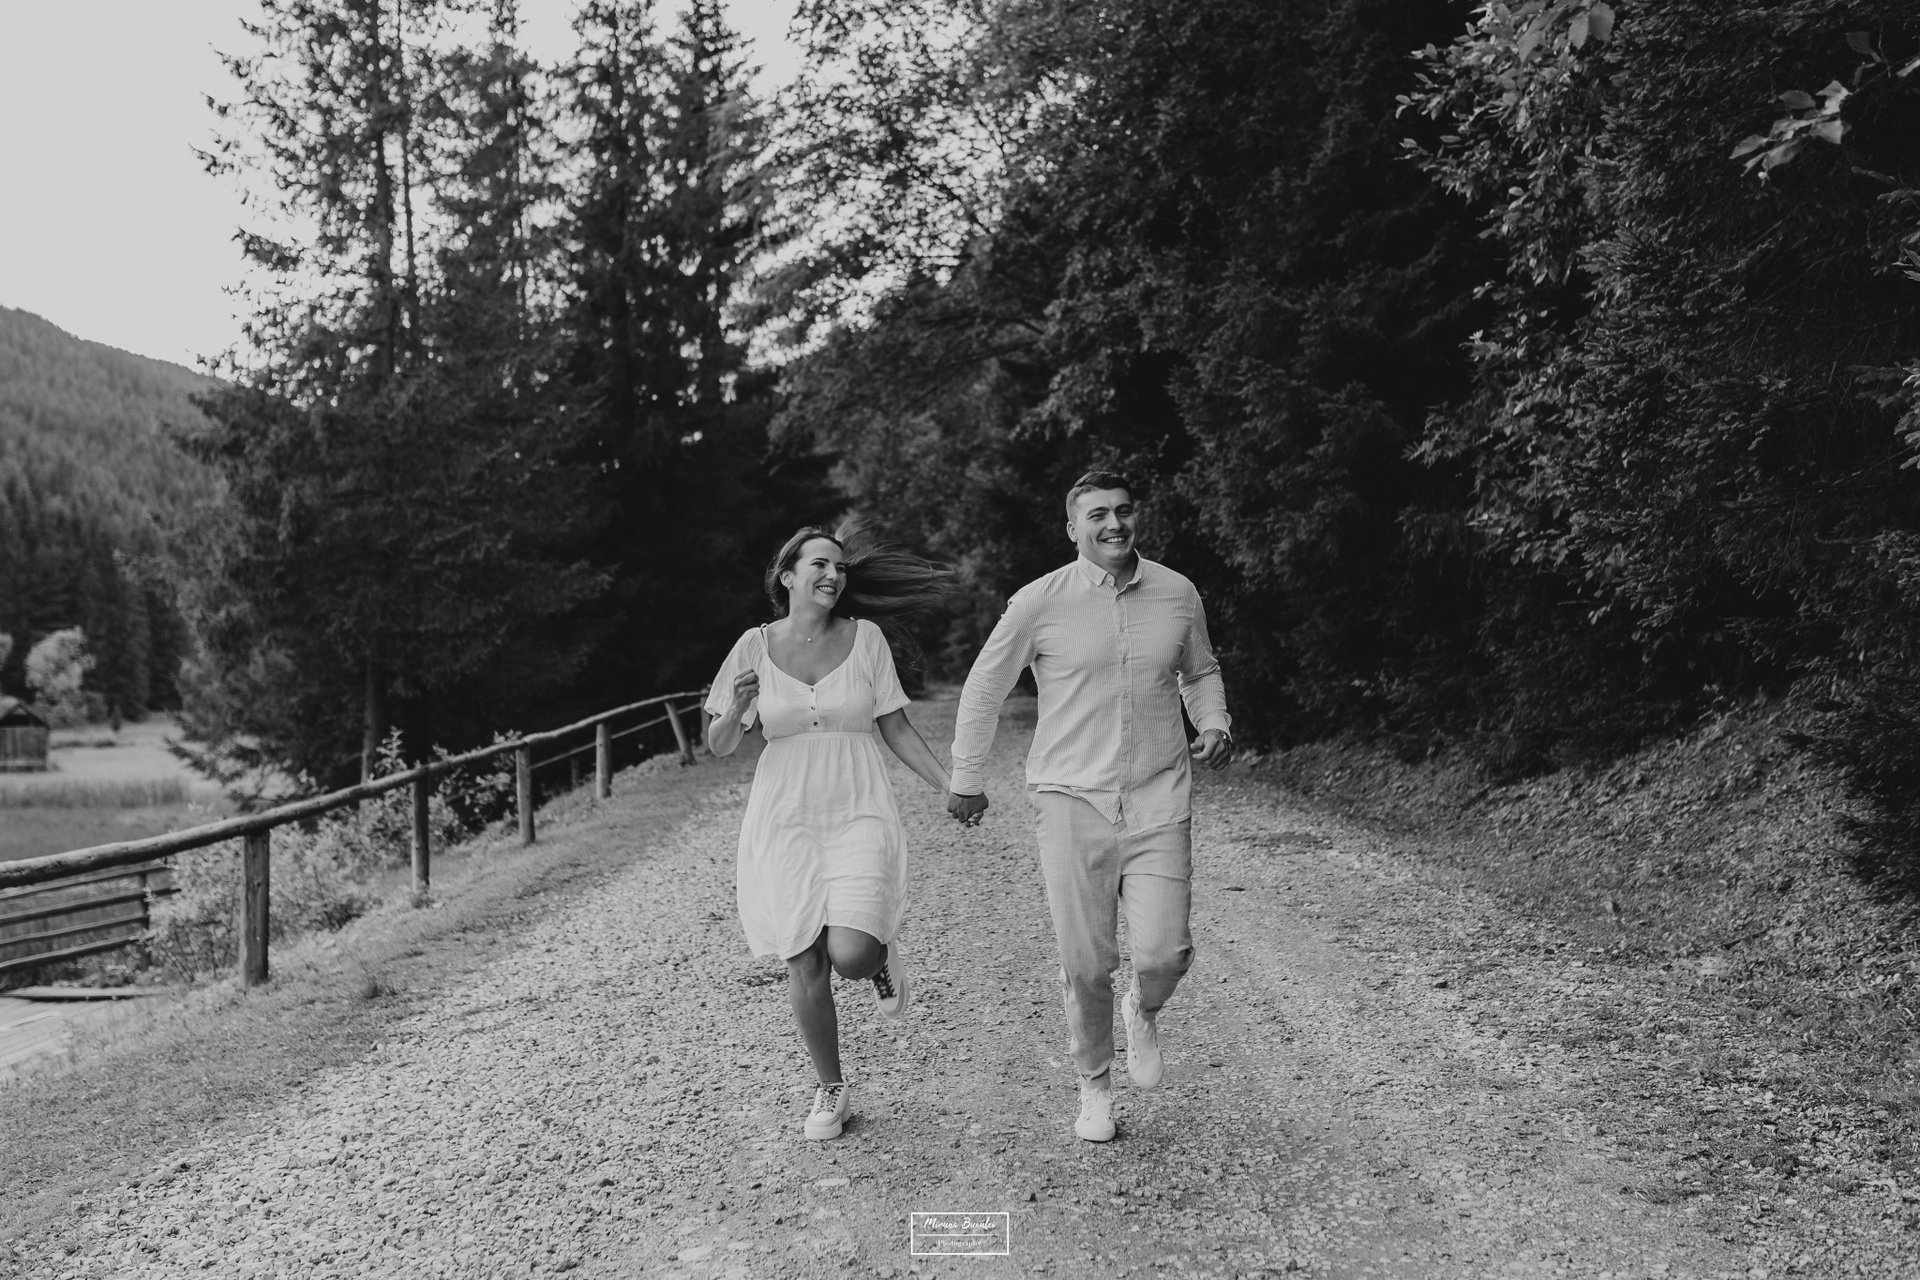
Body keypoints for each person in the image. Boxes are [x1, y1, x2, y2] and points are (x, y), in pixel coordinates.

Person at [946, 470, 1233, 1142]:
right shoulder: (1037, 602)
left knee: (1165, 953)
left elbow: (1199, 670)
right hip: (1070, 799)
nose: (1114, 524)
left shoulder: (1177, 592)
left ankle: (1143, 1008)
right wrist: (966, 775)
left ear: (1137, 518)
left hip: (1158, 793)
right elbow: (985, 687)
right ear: (1072, 527)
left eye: (1123, 510)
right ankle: (1095, 1086)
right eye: (1097, 514)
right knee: (1085, 963)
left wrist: (1213, 720)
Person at [705, 523, 955, 1141]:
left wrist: (950, 785)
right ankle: (830, 1087)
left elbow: (895, 727)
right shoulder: (753, 646)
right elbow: (720, 744)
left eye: (840, 567)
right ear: (787, 576)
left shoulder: (866, 638)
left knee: (851, 954)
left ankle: (879, 954)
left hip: (856, 803)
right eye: (820, 564)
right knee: (803, 953)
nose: (833, 575)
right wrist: (736, 708)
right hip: (785, 813)